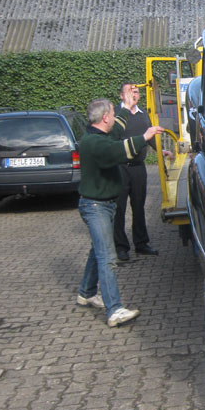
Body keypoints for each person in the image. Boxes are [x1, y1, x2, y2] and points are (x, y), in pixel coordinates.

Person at [76, 97, 164, 327]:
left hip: (102, 205)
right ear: (105, 118)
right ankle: (114, 310)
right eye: (114, 114)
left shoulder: (98, 135)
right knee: (107, 256)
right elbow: (119, 150)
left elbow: (118, 131)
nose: (116, 118)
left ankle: (86, 293)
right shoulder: (95, 143)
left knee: (97, 249)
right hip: (96, 207)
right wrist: (145, 136)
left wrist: (127, 105)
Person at [113, 82, 172, 261]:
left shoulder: (143, 114)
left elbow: (149, 136)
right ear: (121, 95)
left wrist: (160, 150)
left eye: (137, 92)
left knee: (139, 206)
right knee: (119, 208)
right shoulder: (115, 114)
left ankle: (141, 243)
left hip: (138, 168)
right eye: (130, 92)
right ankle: (121, 247)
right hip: (119, 168)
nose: (134, 95)